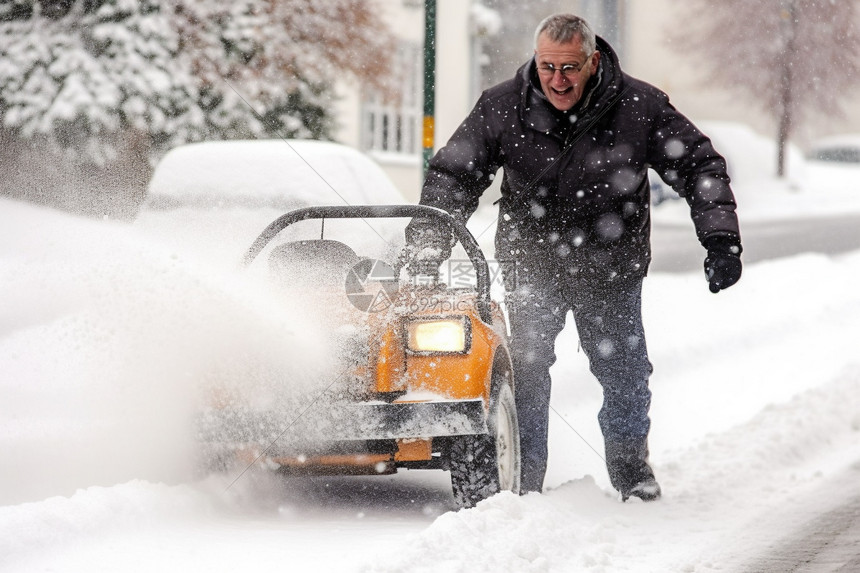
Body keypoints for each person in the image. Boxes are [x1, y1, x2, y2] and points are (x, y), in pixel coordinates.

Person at [408, 14, 742, 501]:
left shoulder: (639, 106)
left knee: (624, 372)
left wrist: (719, 239)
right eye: (547, 67)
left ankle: (632, 474)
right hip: (532, 264)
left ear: (593, 62)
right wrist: (427, 246)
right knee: (525, 368)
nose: (557, 80)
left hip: (610, 266)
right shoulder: (503, 106)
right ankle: (523, 485)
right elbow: (453, 176)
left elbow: (699, 165)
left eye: (569, 68)